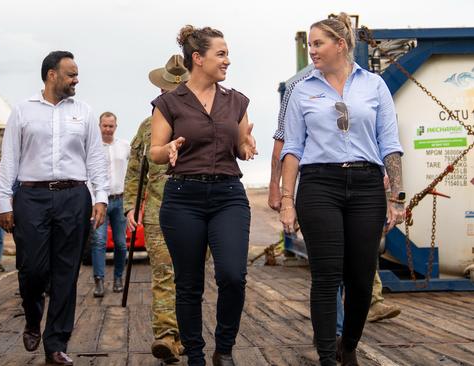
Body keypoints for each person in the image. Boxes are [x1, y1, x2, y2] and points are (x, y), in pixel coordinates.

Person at [279, 13, 405, 366]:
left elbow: (390, 143)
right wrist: (287, 200)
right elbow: (292, 148)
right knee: (327, 274)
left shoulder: (374, 85)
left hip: (366, 186)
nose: (312, 51)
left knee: (362, 278)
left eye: (318, 44)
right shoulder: (300, 90)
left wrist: (396, 198)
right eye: (309, 45)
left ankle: (347, 344)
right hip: (319, 185)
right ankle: (326, 357)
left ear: (341, 44)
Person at [150, 25, 257, 366]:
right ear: (198, 58)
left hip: (228, 195)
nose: (228, 60)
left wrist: (246, 145)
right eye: (221, 54)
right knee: (189, 283)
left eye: (227, 53)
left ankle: (223, 349)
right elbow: (153, 151)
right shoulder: (169, 102)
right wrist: (166, 149)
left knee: (232, 276)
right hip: (183, 197)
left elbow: (240, 145)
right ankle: (195, 354)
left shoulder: (236, 101)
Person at [0, 50, 108, 366]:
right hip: (32, 198)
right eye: (71, 74)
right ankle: (33, 316)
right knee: (32, 268)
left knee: (65, 273)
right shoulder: (23, 111)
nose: (76, 79)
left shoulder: (84, 112)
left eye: (76, 74)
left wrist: (100, 197)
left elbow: (95, 159)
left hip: (74, 197)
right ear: (51, 75)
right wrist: (3, 202)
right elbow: (10, 160)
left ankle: (55, 343)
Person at [124, 54, 189, 363]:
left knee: (188, 278)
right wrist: (129, 207)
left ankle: (183, 335)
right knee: (164, 274)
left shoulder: (199, 120)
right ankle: (165, 336)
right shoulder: (147, 126)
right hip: (158, 213)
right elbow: (135, 169)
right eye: (169, 88)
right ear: (162, 90)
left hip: (193, 211)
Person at [91, 111, 130, 297]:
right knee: (99, 241)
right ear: (99, 126)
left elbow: (133, 172)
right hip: (100, 202)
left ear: (116, 126)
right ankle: (98, 280)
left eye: (111, 126)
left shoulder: (125, 146)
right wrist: (93, 201)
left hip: (120, 200)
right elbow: (86, 177)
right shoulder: (92, 148)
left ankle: (118, 278)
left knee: (121, 244)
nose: (107, 129)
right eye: (104, 126)